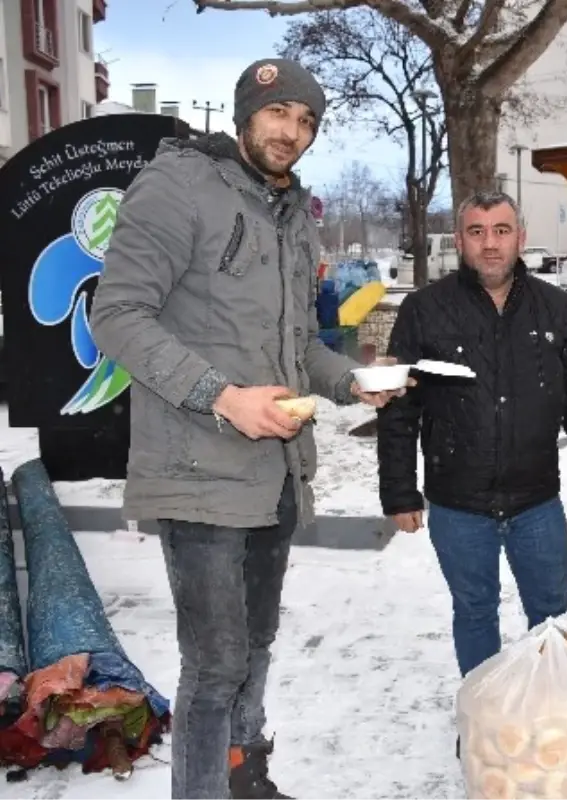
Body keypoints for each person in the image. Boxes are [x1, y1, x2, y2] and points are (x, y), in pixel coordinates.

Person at [91, 58, 406, 800]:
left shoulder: (292, 214)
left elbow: (297, 346)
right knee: (213, 666)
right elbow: (117, 316)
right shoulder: (178, 186)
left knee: (255, 648)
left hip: (273, 476)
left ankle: (246, 780)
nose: (292, 132)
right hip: (197, 472)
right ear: (245, 114)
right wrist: (223, 397)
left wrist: (351, 380)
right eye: (279, 114)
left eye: (306, 121)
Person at [376, 190, 567, 754]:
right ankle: (485, 724)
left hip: (537, 499)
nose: (490, 242)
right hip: (459, 504)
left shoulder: (554, 309)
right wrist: (399, 491)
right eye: (477, 231)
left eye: (501, 230)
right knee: (475, 611)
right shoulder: (424, 310)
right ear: (459, 240)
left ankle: (553, 715)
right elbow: (398, 406)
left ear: (520, 237)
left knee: (552, 614)